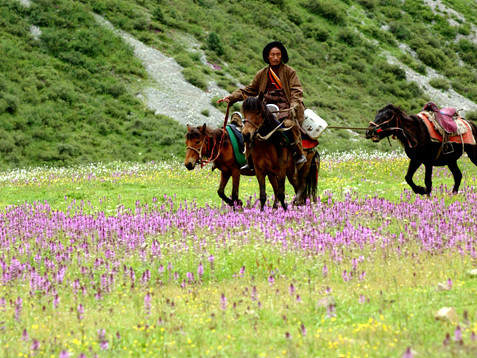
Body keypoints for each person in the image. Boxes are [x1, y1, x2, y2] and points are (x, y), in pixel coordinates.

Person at [217, 41, 307, 172]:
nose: (275, 57)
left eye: (278, 54)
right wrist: (231, 98)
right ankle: (249, 160)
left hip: (286, 108)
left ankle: (299, 154)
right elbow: (249, 90)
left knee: (289, 125)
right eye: (272, 55)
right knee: (248, 128)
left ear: (282, 56)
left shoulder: (290, 72)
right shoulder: (262, 74)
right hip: (265, 109)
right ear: (268, 57)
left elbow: (296, 91)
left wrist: (293, 106)